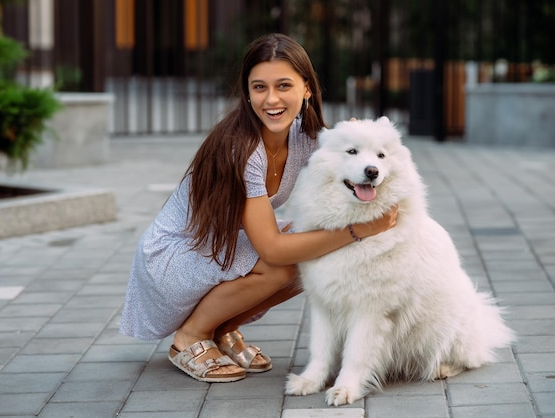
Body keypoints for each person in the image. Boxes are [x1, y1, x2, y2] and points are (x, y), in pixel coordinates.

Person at [119, 33, 397, 383]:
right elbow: (271, 248)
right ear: (247, 93)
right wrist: (360, 230)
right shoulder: (242, 148)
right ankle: (190, 337)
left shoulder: (304, 137)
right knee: (285, 263)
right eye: (259, 87)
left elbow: (348, 153)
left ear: (307, 88)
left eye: (284, 85)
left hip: (218, 243)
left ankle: (222, 330)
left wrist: (359, 139)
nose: (272, 99)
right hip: (174, 254)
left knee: (313, 258)